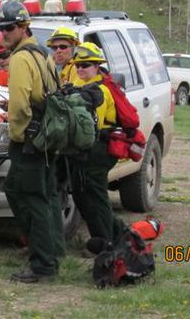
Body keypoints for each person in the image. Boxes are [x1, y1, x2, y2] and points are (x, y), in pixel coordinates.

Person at [0, 0, 65, 283]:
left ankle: (42, 265)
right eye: (2, 28)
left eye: (10, 28)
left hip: (30, 141)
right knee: (44, 196)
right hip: (47, 139)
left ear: (24, 27)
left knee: (33, 199)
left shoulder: (22, 58)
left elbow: (21, 105)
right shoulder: (43, 54)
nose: (5, 34)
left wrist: (17, 135)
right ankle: (52, 251)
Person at [70, 42, 126, 252]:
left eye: (86, 65)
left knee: (97, 196)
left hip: (98, 150)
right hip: (93, 150)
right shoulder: (87, 88)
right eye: (78, 65)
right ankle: (118, 234)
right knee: (85, 195)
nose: (80, 69)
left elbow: (93, 129)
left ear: (97, 67)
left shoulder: (99, 91)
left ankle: (105, 243)